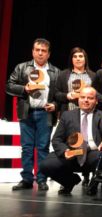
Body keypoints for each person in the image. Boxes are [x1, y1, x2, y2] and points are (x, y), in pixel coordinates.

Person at [6, 38, 60, 191]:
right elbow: (9, 86)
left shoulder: (55, 71)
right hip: (27, 112)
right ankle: (27, 179)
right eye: (37, 50)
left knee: (43, 148)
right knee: (27, 147)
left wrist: (55, 105)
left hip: (45, 114)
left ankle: (42, 179)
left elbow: (59, 94)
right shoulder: (22, 67)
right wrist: (24, 89)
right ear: (33, 51)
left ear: (48, 54)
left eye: (44, 51)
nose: (40, 53)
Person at [40, 87, 102, 195]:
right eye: (82, 97)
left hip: (92, 152)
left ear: (96, 101)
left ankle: (93, 184)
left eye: (90, 98)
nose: (86, 100)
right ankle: (70, 181)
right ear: (78, 99)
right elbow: (57, 139)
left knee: (101, 157)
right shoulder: (67, 115)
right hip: (72, 152)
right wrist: (65, 151)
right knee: (46, 165)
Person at [54, 47, 96, 186]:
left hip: (89, 116)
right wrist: (67, 96)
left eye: (81, 56)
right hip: (69, 116)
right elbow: (56, 94)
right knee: (70, 146)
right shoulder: (63, 75)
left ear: (85, 59)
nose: (78, 59)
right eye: (75, 56)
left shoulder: (92, 76)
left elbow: (97, 95)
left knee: (86, 143)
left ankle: (87, 176)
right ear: (71, 59)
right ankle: (67, 180)